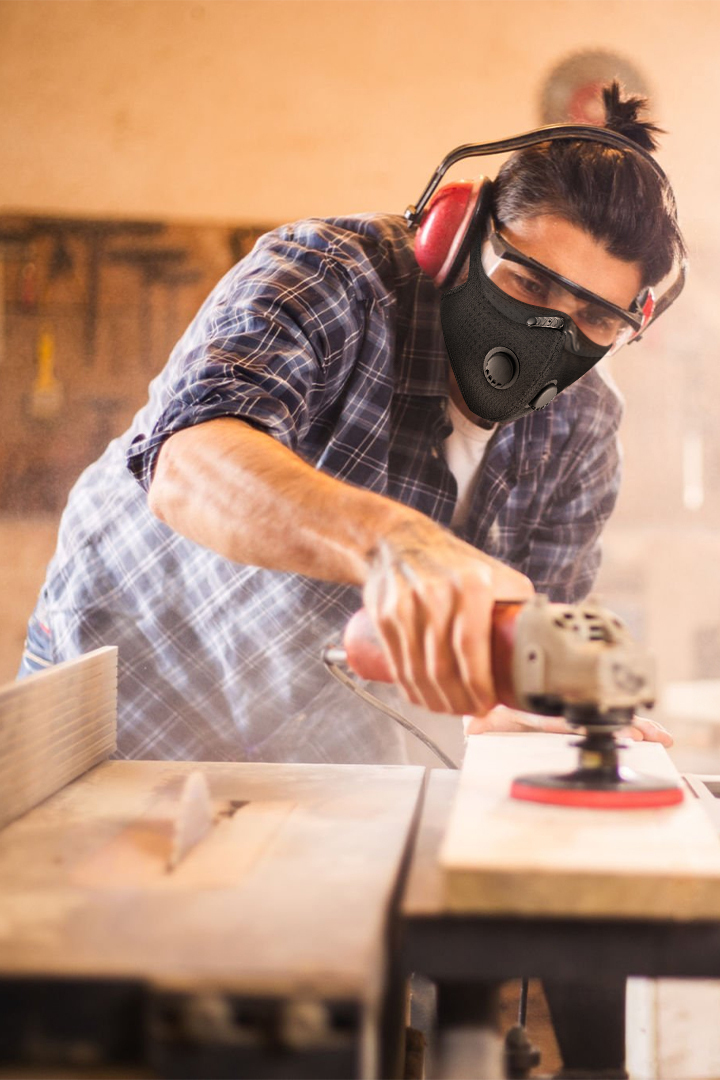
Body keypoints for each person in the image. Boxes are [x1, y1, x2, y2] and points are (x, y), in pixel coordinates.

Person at [18, 83, 685, 763]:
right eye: (528, 284)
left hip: (312, 746)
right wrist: (395, 544)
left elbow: (519, 661)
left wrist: (535, 702)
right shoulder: (333, 273)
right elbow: (189, 465)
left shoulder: (584, 427)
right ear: (453, 237)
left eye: (596, 319)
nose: (550, 333)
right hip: (134, 694)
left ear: (633, 323)